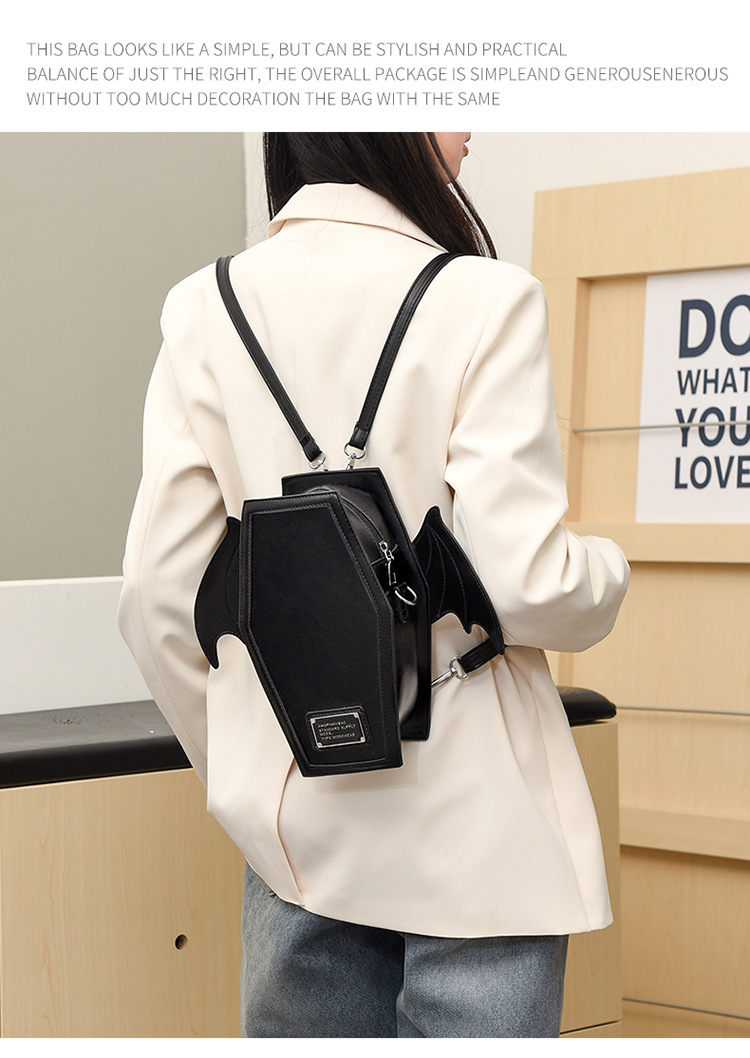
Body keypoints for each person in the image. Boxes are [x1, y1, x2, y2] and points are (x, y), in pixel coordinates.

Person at [118, 132, 630, 1038]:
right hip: (478, 838)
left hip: (300, 841)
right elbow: (528, 583)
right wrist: (609, 572)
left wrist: (255, 768)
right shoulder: (484, 298)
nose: (470, 123)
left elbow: (160, 599)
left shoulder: (203, 307)